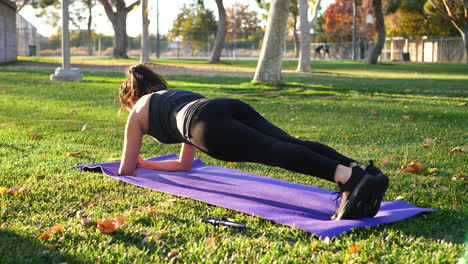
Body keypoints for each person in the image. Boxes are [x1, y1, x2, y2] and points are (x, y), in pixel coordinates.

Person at [118, 64, 389, 221]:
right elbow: (184, 164)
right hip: (222, 106)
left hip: (201, 125)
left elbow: (126, 170)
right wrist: (149, 164)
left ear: (131, 98)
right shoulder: (175, 95)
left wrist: (140, 164)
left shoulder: (138, 111)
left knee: (273, 151)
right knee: (289, 142)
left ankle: (347, 178)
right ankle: (361, 171)